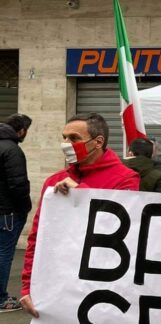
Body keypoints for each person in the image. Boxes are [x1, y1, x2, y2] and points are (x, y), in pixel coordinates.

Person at [20, 113, 140, 317]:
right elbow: (38, 238)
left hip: (100, 285)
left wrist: (82, 195)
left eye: (74, 138)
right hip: (59, 284)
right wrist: (27, 286)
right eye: (64, 137)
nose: (65, 143)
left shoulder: (126, 179)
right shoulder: (54, 181)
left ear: (98, 142)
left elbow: (121, 233)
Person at [0, 115, 31, 312]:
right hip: (7, 213)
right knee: (4, 254)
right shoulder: (12, 150)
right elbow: (18, 185)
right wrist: (24, 207)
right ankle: (1, 299)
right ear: (21, 130)